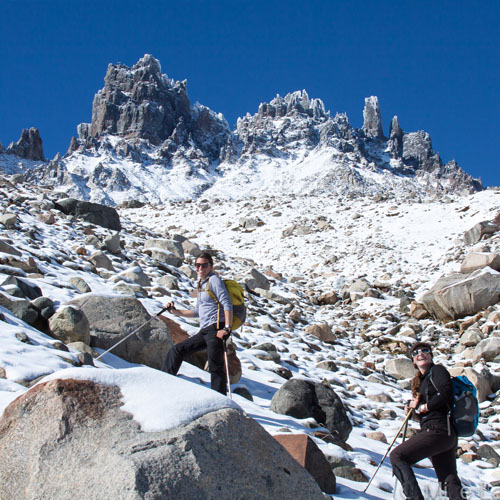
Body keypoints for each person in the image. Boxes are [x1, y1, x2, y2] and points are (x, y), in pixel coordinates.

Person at [390, 342, 465, 500]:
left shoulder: (437, 370)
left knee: (397, 456)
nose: (420, 354)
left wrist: (425, 406)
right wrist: (413, 412)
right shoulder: (423, 382)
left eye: (425, 351)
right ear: (413, 361)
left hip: (437, 430)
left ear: (431, 356)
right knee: (448, 479)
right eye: (416, 353)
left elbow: (446, 392)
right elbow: (426, 413)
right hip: (445, 435)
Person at [162, 252, 233, 395]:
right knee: (177, 350)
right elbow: (197, 312)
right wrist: (174, 312)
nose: (200, 268)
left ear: (211, 266)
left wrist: (227, 328)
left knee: (215, 366)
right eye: (197, 265)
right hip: (205, 330)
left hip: (216, 328)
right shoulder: (202, 284)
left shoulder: (214, 280)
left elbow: (227, 303)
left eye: (204, 265)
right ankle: (164, 383)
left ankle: (220, 401)